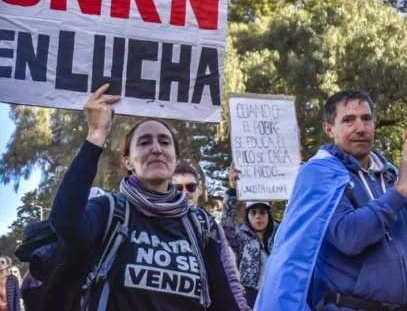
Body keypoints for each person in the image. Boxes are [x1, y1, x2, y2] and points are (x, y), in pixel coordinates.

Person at [48, 83, 241, 311]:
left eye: (164, 142)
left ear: (175, 160)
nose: (156, 149)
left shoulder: (200, 223)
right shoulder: (109, 210)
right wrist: (96, 134)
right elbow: (65, 224)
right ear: (128, 162)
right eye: (144, 142)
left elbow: (224, 301)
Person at [256, 89, 407, 311]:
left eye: (366, 119)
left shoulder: (392, 175)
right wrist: (402, 189)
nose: (360, 128)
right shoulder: (320, 174)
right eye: (349, 120)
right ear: (329, 129)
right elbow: (349, 236)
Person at [172, 164, 249, 310]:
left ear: (200, 190)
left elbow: (229, 274)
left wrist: (242, 308)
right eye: (178, 188)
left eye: (191, 187)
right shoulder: (162, 223)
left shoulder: (212, 227)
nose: (185, 192)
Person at [221, 162, 279, 309]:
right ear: (247, 216)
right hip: (250, 297)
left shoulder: (281, 236)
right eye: (253, 212)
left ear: (269, 215)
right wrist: (232, 190)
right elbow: (227, 224)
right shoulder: (241, 239)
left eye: (262, 212)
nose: (258, 216)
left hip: (277, 293)